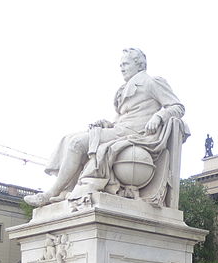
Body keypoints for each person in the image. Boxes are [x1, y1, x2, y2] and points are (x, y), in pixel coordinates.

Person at [24, 48, 185, 206]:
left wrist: (158, 116)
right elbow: (122, 118)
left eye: (126, 64)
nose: (121, 68)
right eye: (120, 64)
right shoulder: (125, 89)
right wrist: (107, 124)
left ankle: (51, 193)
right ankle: (66, 191)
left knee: (77, 143)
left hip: (136, 132)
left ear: (139, 65)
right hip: (120, 129)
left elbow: (178, 107)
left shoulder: (152, 82)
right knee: (69, 138)